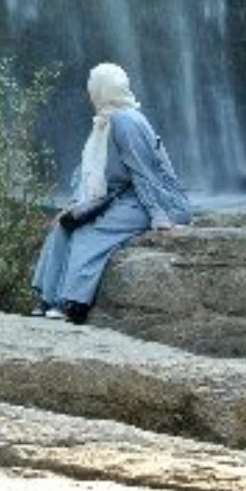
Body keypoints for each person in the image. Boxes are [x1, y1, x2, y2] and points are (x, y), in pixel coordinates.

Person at [32, 62, 192, 323]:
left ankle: (73, 302)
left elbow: (144, 172)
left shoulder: (126, 121)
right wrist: (74, 205)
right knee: (65, 225)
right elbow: (85, 173)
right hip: (120, 196)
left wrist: (160, 217)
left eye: (92, 87)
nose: (89, 93)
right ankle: (47, 297)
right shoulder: (104, 122)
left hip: (153, 200)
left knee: (91, 231)